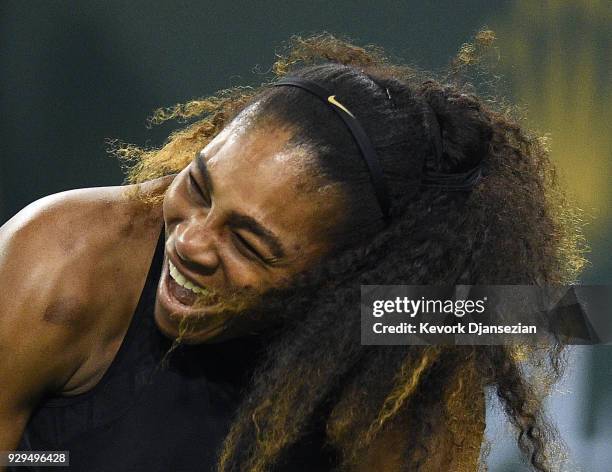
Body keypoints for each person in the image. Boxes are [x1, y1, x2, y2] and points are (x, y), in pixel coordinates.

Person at [0, 31, 586, 471]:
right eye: (198, 187)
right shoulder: (65, 252)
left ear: (345, 277)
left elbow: (564, 312)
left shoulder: (395, 333)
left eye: (249, 242)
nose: (192, 240)